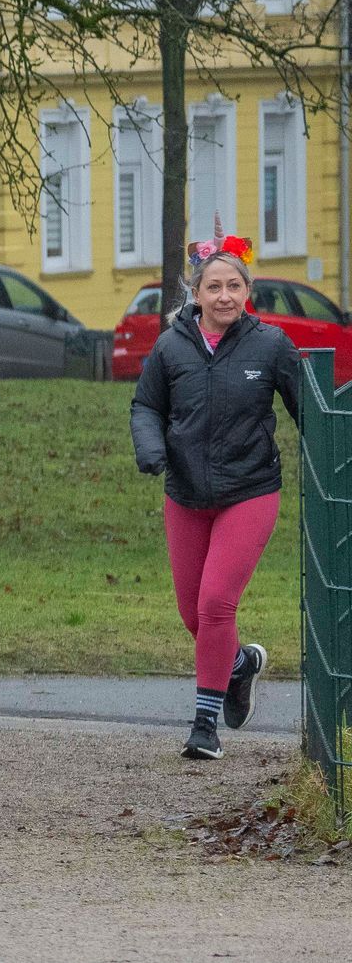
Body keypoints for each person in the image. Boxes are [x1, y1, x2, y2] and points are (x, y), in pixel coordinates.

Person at [130, 230, 298, 759]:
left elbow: (310, 415)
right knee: (193, 615)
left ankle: (205, 727)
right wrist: (151, 449)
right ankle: (241, 665)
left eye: (235, 286)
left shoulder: (270, 345)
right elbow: (146, 407)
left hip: (250, 491)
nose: (225, 296)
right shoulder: (170, 345)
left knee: (216, 604)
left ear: (247, 291)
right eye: (213, 287)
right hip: (185, 494)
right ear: (196, 294)